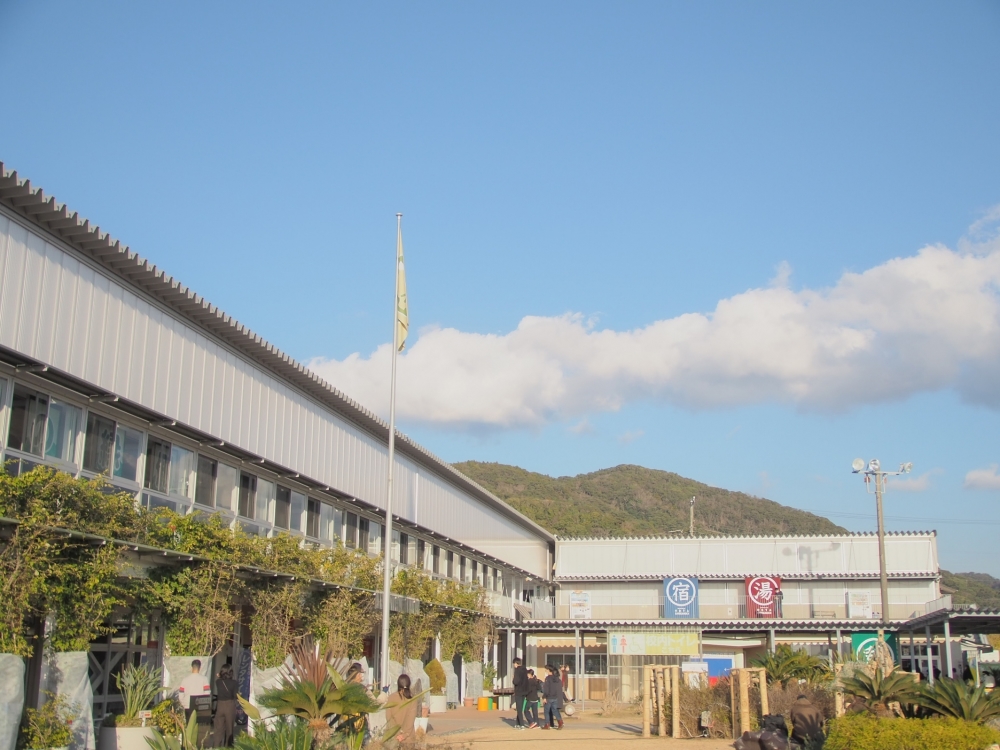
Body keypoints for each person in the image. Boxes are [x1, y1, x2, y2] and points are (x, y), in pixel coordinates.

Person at [385, 674, 417, 744]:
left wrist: (397, 734)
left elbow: (389, 718)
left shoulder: (391, 698)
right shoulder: (412, 700)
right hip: (408, 739)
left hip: (392, 737)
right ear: (409, 684)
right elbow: (410, 720)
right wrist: (404, 735)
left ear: (398, 685)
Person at [212, 664, 238, 747]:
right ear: (231, 672)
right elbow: (235, 696)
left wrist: (219, 674)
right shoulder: (234, 683)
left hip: (220, 706)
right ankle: (228, 747)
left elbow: (219, 676)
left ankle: (216, 746)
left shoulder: (218, 682)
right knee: (229, 729)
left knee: (218, 729)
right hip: (229, 705)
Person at [541, 664, 564, 730]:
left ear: (549, 670)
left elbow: (546, 689)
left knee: (546, 711)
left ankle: (547, 724)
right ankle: (560, 722)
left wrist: (544, 697)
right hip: (555, 697)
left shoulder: (548, 679)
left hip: (549, 697)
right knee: (555, 711)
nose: (545, 671)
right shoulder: (557, 679)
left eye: (546, 669)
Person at [511, 657, 531, 729]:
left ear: (516, 663)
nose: (514, 665)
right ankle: (517, 723)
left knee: (519, 709)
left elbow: (516, 681)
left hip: (519, 691)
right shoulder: (524, 670)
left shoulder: (517, 670)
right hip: (524, 691)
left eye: (514, 664)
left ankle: (522, 724)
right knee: (520, 707)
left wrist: (513, 679)